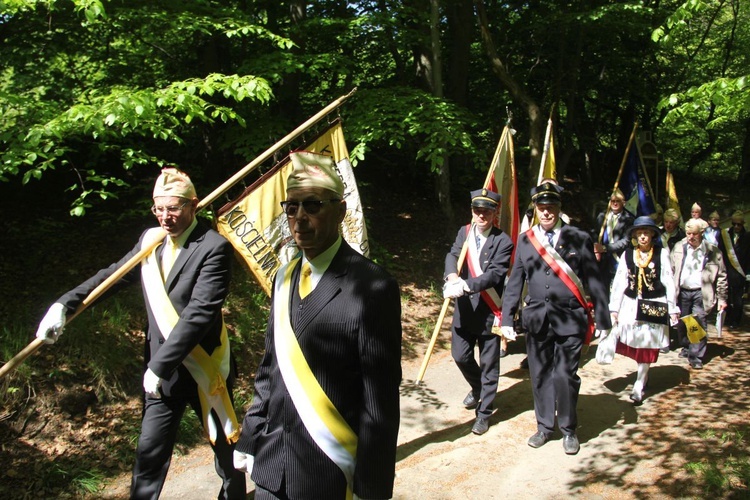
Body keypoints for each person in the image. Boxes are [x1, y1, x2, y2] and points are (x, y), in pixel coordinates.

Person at [34, 168, 246, 499]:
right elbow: (112, 277)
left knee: (224, 448)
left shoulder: (213, 247)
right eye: (158, 209)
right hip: (161, 376)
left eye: (173, 208)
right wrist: (64, 305)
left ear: (193, 205)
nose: (165, 217)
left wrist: (160, 365)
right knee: (149, 451)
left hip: (204, 369)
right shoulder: (151, 242)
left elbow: (200, 313)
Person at [232, 152, 402, 499]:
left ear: (340, 211)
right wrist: (250, 436)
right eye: (291, 207)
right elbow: (270, 369)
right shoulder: (284, 278)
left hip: (328, 474)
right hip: (271, 468)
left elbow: (379, 404)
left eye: (312, 205)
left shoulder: (373, 287)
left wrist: (372, 491)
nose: (299, 219)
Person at [500, 181, 611, 455]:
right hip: (537, 319)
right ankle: (544, 427)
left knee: (564, 374)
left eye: (551, 207)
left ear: (559, 209)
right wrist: (505, 319)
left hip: (570, 319)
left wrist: (604, 318)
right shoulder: (526, 241)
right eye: (542, 207)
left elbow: (594, 280)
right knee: (539, 376)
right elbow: (515, 282)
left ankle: (569, 429)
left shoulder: (578, 237)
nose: (547, 212)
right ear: (536, 209)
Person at [443, 188, 514, 435]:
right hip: (464, 311)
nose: (481, 215)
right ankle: (478, 389)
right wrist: (452, 277)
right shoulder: (465, 232)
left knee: (489, 364)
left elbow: (495, 274)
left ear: (495, 213)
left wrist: (465, 285)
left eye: (486, 211)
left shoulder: (503, 241)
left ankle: (484, 412)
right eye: (477, 211)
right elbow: (453, 254)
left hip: (488, 311)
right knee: (461, 356)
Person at [608, 217, 680, 404]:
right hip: (632, 304)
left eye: (646, 233)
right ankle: (643, 374)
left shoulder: (661, 254)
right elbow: (620, 282)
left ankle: (639, 384)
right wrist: (614, 307)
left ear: (652, 235)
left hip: (654, 303)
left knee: (648, 344)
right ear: (634, 235)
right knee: (635, 341)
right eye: (639, 233)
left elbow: (668, 281)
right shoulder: (627, 254)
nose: (642, 237)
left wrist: (672, 307)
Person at [671, 219, 728, 369]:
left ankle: (696, 355)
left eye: (694, 234)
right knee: (683, 322)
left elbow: (722, 276)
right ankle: (686, 346)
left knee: (697, 322)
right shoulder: (678, 247)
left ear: (701, 233)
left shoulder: (712, 251)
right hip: (682, 291)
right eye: (688, 233)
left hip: (701, 292)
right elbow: (670, 270)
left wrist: (722, 298)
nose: (690, 237)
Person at [593, 189, 635, 289]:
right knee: (603, 288)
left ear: (623, 203)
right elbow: (595, 233)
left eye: (618, 201)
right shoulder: (602, 216)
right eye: (613, 201)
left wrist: (604, 248)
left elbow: (625, 241)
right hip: (603, 260)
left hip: (618, 258)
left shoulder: (629, 219)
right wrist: (596, 248)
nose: (615, 203)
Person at [717, 210, 750, 329]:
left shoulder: (748, 237)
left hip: (740, 272)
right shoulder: (724, 235)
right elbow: (719, 253)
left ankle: (736, 320)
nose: (736, 226)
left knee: (738, 299)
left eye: (739, 224)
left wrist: (747, 274)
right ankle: (728, 317)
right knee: (726, 297)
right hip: (726, 271)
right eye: (734, 224)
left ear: (743, 224)